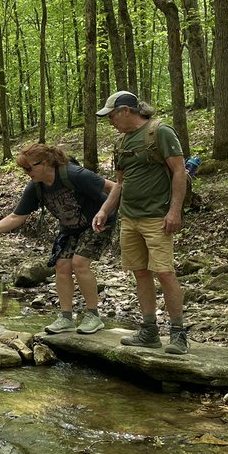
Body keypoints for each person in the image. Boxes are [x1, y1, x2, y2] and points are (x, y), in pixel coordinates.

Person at [0, 144, 117, 334]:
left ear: (46, 163)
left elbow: (114, 187)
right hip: (70, 228)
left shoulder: (75, 174)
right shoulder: (36, 187)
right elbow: (17, 217)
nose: (27, 172)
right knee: (62, 266)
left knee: (79, 263)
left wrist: (105, 212)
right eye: (24, 169)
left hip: (98, 222)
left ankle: (93, 316)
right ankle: (66, 318)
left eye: (29, 168)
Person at [92, 90, 190, 354]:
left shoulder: (160, 132)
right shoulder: (121, 143)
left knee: (165, 272)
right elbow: (120, 183)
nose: (110, 121)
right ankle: (149, 331)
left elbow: (179, 171)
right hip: (129, 218)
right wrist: (105, 210)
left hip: (157, 217)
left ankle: (178, 333)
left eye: (111, 115)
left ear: (126, 111)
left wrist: (174, 211)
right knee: (140, 272)